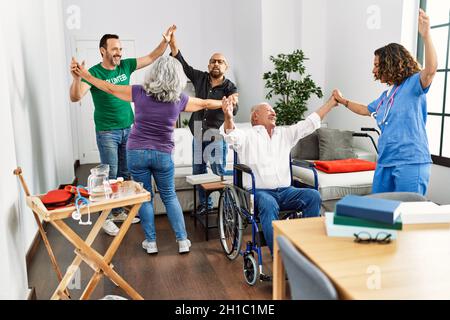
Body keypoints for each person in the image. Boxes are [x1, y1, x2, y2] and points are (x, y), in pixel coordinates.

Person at [73, 55, 236, 254]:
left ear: (154, 73)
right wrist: (224, 102)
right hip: (162, 154)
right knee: (169, 196)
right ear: (177, 77)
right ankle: (183, 241)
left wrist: (86, 75)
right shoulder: (179, 99)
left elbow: (109, 87)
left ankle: (151, 243)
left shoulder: (139, 92)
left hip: (136, 152)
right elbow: (204, 103)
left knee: (145, 198)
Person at [69, 25, 177, 236]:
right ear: (103, 51)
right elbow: (75, 97)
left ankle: (118, 210)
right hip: (107, 132)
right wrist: (76, 79)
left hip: (129, 129)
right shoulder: (93, 73)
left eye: (120, 49)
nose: (119, 52)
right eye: (114, 49)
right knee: (109, 175)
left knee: (125, 173)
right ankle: (106, 217)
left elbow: (152, 57)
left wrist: (165, 40)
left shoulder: (125, 66)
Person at [333, 9, 437, 196]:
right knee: (381, 213)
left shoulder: (414, 84)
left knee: (407, 214)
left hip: (410, 161)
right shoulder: (386, 95)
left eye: (376, 64)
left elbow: (430, 70)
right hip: (385, 161)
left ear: (390, 63)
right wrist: (342, 101)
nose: (373, 69)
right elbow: (365, 109)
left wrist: (426, 35)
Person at [220, 96, 338, 254]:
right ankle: (281, 256)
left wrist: (331, 103)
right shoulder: (247, 135)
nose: (273, 112)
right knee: (269, 204)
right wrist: (228, 116)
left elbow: (309, 123)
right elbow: (230, 135)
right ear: (256, 115)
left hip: (286, 191)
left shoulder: (285, 134)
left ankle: (308, 249)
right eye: (268, 110)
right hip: (259, 193)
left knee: (313, 195)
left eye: (273, 110)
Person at [169, 33, 239, 215]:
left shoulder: (230, 88)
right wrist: (173, 44)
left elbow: (234, 111)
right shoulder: (200, 77)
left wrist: (230, 105)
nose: (216, 64)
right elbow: (182, 63)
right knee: (198, 171)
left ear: (226, 66)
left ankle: (229, 207)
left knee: (219, 171)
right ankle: (205, 205)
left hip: (216, 135)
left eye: (220, 61)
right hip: (198, 133)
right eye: (213, 61)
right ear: (209, 65)